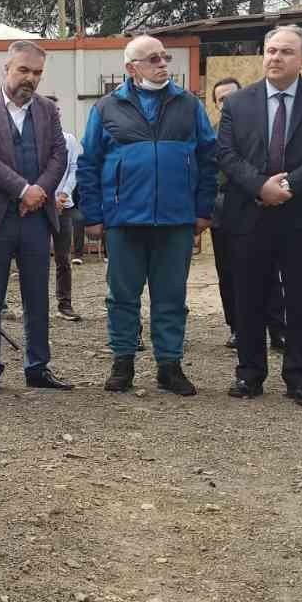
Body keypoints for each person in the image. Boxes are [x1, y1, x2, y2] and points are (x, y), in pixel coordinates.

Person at [214, 24, 302, 407]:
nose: (275, 57)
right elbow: (226, 154)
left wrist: (288, 186)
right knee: (250, 296)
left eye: (285, 52)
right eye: (270, 50)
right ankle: (249, 373)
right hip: (249, 214)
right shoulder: (238, 103)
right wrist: (260, 186)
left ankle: (300, 378)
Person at [78, 35, 216, 395]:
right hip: (125, 220)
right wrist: (93, 214)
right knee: (121, 295)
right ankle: (122, 363)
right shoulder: (107, 109)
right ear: (131, 68)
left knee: (171, 295)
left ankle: (169, 366)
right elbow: (89, 163)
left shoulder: (188, 105)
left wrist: (203, 209)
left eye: (164, 57)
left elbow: (208, 157)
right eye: (153, 59)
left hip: (176, 220)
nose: (162, 64)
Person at [0, 41, 72, 396]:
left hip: (35, 218)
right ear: (6, 68)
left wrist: (39, 191)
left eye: (37, 72)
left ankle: (37, 366)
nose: (31, 78)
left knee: (37, 296)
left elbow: (59, 154)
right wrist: (23, 190)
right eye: (23, 69)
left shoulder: (47, 110)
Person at [210, 77, 286, 350]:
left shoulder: (267, 128)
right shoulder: (213, 134)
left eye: (233, 96)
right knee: (229, 274)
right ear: (217, 106)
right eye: (222, 99)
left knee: (271, 274)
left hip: (262, 208)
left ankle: (278, 329)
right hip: (225, 213)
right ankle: (237, 328)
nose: (229, 102)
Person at [54, 119, 83, 321]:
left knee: (63, 258)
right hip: (38, 206)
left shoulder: (68, 140)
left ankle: (65, 304)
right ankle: (34, 305)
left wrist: (63, 194)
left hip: (63, 206)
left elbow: (75, 169)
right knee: (32, 259)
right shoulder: (33, 140)